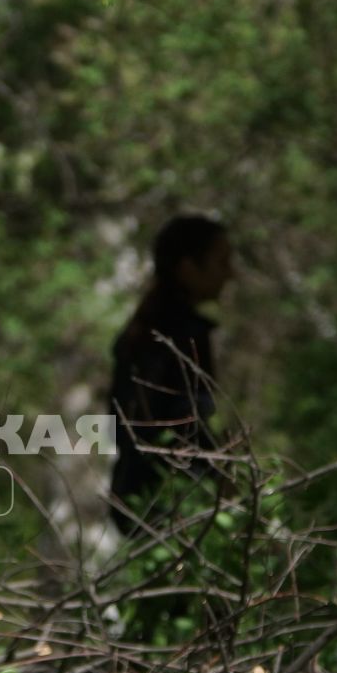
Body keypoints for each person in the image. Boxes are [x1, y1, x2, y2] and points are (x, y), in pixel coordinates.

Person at [107, 214, 235, 529]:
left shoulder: (145, 331)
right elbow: (188, 419)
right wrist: (216, 479)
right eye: (221, 263)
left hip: (135, 494)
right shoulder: (182, 334)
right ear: (188, 269)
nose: (231, 274)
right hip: (171, 501)